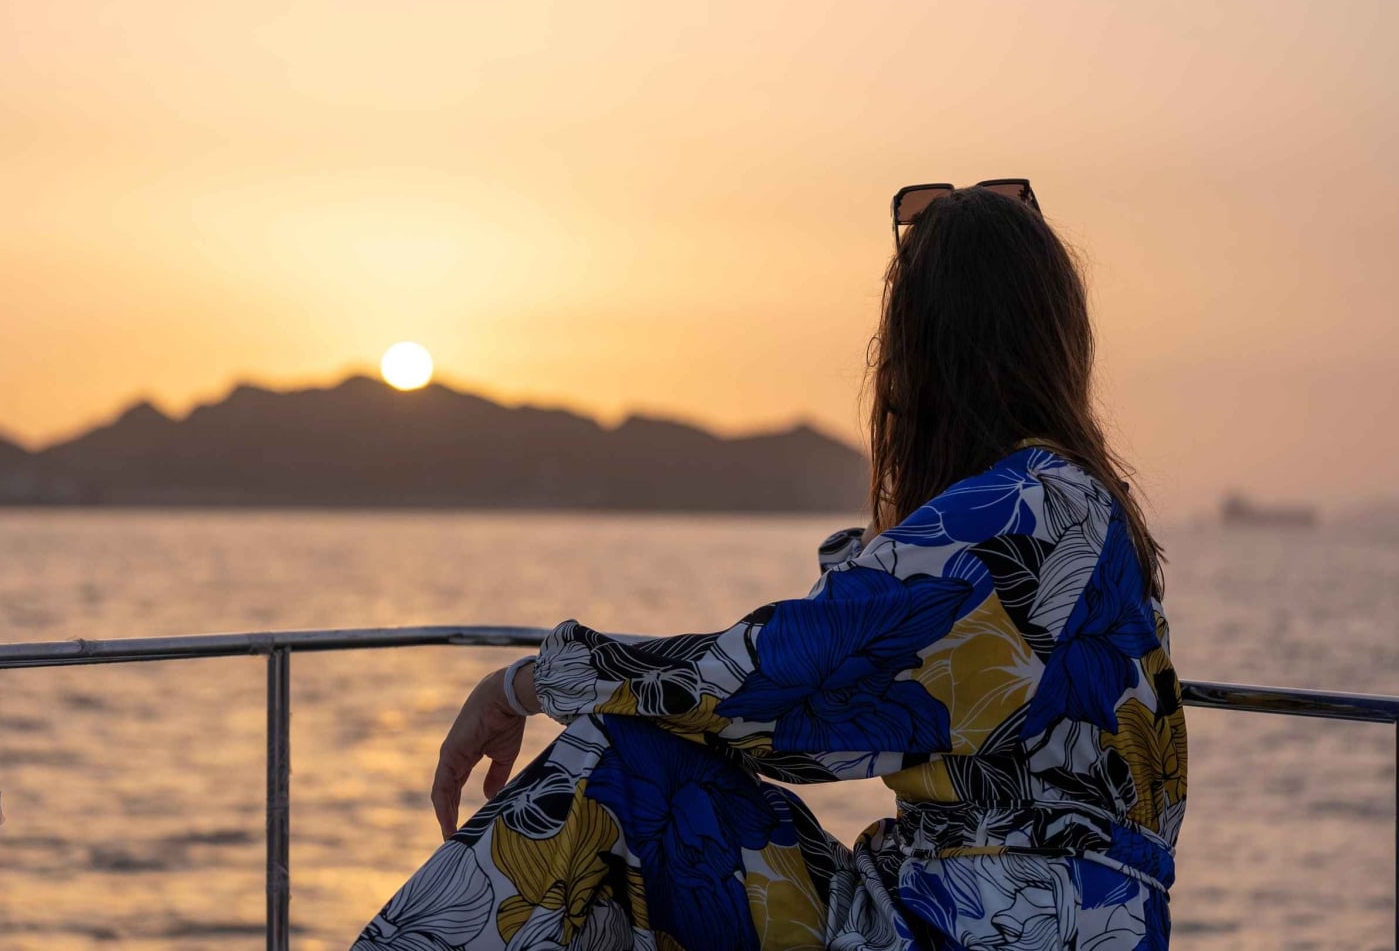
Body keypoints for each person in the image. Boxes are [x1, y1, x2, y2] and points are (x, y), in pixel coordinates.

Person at [351, 185, 1185, 950]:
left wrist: (526, 685)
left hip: (996, 929)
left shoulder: (1027, 507)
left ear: (930, 352)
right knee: (636, 796)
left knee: (623, 767)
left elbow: (779, 689)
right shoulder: (1066, 504)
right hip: (1025, 916)